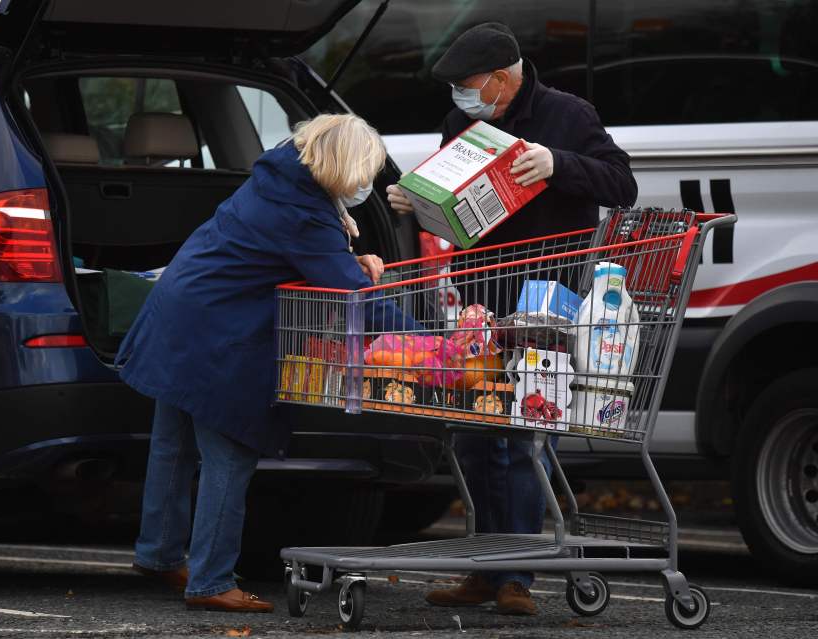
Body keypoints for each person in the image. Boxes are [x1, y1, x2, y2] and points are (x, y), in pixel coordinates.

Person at [117, 114, 416, 613]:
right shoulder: (304, 211)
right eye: (363, 171)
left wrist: (344, 258)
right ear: (341, 164)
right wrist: (433, 338)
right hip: (217, 334)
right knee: (230, 455)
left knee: (174, 445)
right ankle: (211, 581)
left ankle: (160, 553)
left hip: (180, 314)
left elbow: (302, 261)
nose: (365, 184)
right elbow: (351, 298)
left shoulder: (279, 180)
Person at [387, 23, 638, 616]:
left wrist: (560, 165)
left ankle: (517, 576)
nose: (459, 97)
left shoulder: (568, 116)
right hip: (482, 302)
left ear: (501, 79)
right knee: (475, 434)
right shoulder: (461, 125)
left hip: (546, 304)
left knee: (525, 436)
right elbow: (454, 200)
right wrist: (417, 200)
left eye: (466, 85)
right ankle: (483, 566)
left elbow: (620, 184)